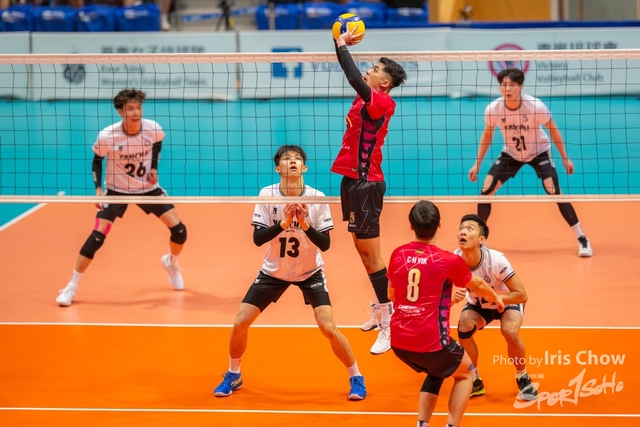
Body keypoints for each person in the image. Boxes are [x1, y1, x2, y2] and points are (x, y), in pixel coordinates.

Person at [213, 145, 367, 400]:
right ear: (278, 168)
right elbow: (257, 239)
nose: (292, 161)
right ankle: (234, 374)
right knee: (240, 323)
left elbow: (325, 245)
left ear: (304, 167)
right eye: (287, 159)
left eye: (297, 159)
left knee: (328, 327)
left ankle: (356, 377)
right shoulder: (268, 194)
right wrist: (284, 223)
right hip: (273, 271)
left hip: (310, 272)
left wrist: (304, 224)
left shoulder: (316, 198)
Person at [56, 89, 186, 307]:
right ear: (120, 112)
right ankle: (71, 286)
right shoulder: (108, 135)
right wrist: (98, 189)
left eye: (138, 108)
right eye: (130, 109)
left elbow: (157, 143)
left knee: (180, 231)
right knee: (97, 238)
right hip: (116, 191)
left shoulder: (152, 128)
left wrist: (154, 168)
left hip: (147, 189)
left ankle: (171, 263)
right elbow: (97, 160)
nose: (136, 113)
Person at [387, 200, 504, 427]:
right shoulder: (448, 260)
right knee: (466, 373)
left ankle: (422, 424)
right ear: (439, 225)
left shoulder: (398, 254)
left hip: (399, 343)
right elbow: (478, 285)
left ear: (411, 226)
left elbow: (391, 294)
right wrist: (496, 298)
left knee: (437, 370)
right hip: (431, 343)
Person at [331, 27, 408, 355]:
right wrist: (337, 42)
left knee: (373, 255)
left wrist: (341, 44)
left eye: (375, 69)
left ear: (384, 83)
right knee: (362, 251)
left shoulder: (382, 102)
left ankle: (390, 322)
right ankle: (381, 308)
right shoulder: (367, 98)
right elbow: (353, 75)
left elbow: (352, 77)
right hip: (351, 181)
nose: (368, 70)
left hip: (367, 184)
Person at [469, 67, 593, 257]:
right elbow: (487, 135)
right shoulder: (493, 109)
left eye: (512, 85)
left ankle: (582, 238)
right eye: (504, 85)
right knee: (486, 190)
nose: (507, 89)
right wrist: (477, 163)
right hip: (511, 154)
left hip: (539, 152)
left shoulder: (535, 106)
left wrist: (565, 158)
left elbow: (553, 130)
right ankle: (479, 241)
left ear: (521, 87)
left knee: (554, 190)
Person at [452, 214, 538, 401]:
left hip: (507, 301)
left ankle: (523, 376)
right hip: (478, 304)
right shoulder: (454, 260)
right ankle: (475, 380)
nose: (463, 232)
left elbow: (521, 295)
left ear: (481, 240)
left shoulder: (496, 260)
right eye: (461, 228)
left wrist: (495, 297)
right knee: (464, 329)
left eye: (469, 229)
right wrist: (451, 299)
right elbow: (440, 293)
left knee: (509, 331)